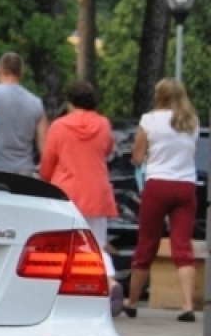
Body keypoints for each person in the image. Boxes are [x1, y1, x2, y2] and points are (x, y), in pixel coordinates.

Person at [39, 80, 122, 310]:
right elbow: (108, 150)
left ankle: (65, 292)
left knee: (64, 246)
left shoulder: (59, 126)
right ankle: (110, 282)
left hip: (67, 194)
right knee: (96, 245)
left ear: (70, 101)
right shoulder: (104, 124)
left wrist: (46, 179)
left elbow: (47, 164)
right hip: (97, 192)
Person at [122, 77, 200, 321]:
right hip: (186, 186)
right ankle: (187, 306)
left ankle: (133, 302)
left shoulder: (150, 120)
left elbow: (136, 155)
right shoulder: (192, 122)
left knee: (146, 244)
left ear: (160, 95)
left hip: (158, 185)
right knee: (182, 246)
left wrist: (146, 158)